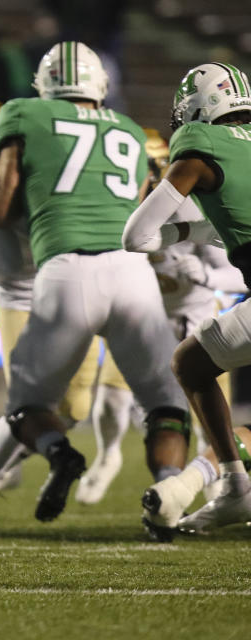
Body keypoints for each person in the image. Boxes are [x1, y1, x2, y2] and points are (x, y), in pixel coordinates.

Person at [0, 41, 190, 524]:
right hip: (133, 273)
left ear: (45, 85)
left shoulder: (25, 115)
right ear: (100, 86)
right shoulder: (132, 133)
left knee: (28, 406)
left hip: (68, 271)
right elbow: (138, 211)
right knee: (165, 405)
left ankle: (49, 459)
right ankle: (167, 501)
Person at [122, 62, 251, 534]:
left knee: (191, 367)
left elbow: (136, 236)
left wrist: (181, 231)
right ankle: (231, 488)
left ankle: (236, 488)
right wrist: (201, 230)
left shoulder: (200, 145)